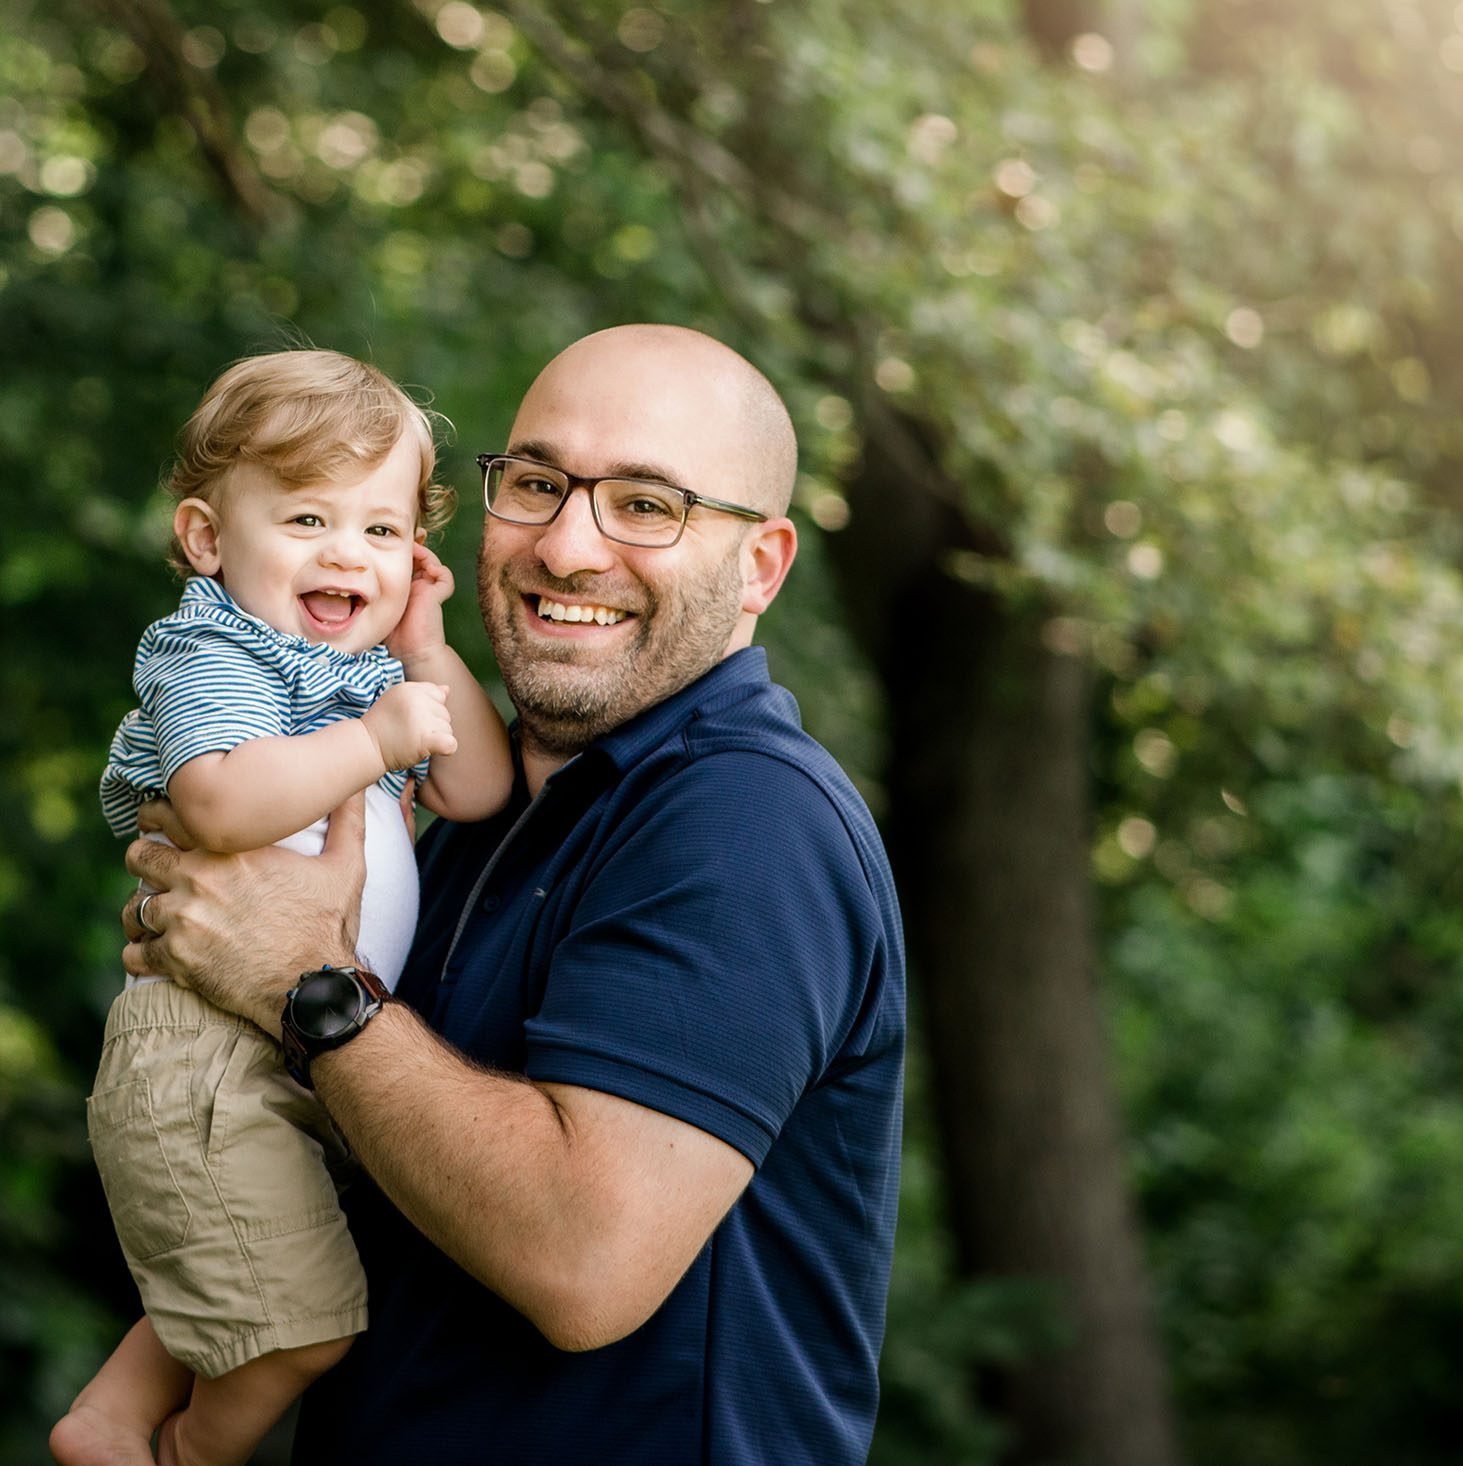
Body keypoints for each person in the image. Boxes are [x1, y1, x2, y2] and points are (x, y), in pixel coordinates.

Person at [119, 325, 906, 1465]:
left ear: (761, 566)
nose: (569, 546)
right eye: (537, 484)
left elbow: (586, 1261)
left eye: (646, 503)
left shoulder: (747, 821)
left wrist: (306, 981)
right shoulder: (471, 814)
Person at [51, 350, 513, 1466]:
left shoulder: (369, 673)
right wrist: (371, 742)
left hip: (296, 1048)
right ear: (210, 540)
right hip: (207, 1048)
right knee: (300, 1328)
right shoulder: (218, 648)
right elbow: (214, 798)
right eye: (306, 516)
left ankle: (108, 1419)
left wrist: (420, 650)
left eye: (381, 530)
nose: (345, 553)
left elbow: (477, 787)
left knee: (249, 1268)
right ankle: (180, 1455)